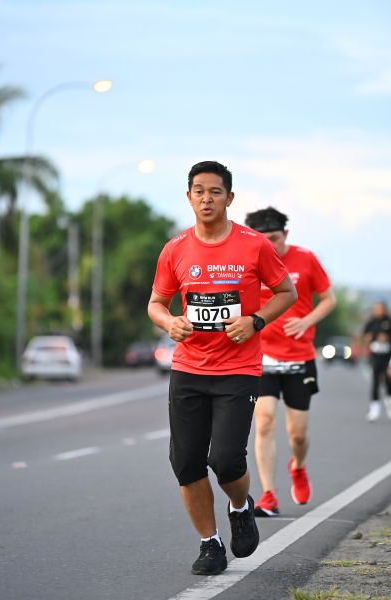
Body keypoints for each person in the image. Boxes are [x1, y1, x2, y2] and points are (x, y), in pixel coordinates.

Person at [148, 162, 297, 575]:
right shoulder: (175, 249)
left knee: (227, 460)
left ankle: (240, 506)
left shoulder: (254, 245)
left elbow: (286, 291)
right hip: (189, 369)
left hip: (238, 368)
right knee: (186, 463)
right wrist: (169, 322)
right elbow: (156, 304)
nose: (206, 198)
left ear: (229, 198)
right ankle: (209, 544)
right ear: (189, 197)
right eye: (198, 191)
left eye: (215, 191)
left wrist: (256, 320)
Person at [244, 207, 336, 517]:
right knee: (265, 421)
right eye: (263, 239)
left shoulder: (305, 258)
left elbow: (329, 299)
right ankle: (268, 495)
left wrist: (306, 321)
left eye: (274, 238)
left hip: (299, 358)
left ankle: (297, 466)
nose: (269, 245)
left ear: (286, 234)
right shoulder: (249, 262)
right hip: (262, 356)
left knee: (298, 434)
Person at [362, 301, 391, 422]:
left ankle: (389, 406)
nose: (379, 310)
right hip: (375, 356)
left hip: (387, 356)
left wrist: (386, 338)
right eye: (377, 308)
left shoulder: (388, 321)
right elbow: (364, 336)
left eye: (381, 308)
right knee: (375, 381)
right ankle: (374, 409)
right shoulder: (371, 322)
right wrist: (368, 340)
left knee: (388, 381)